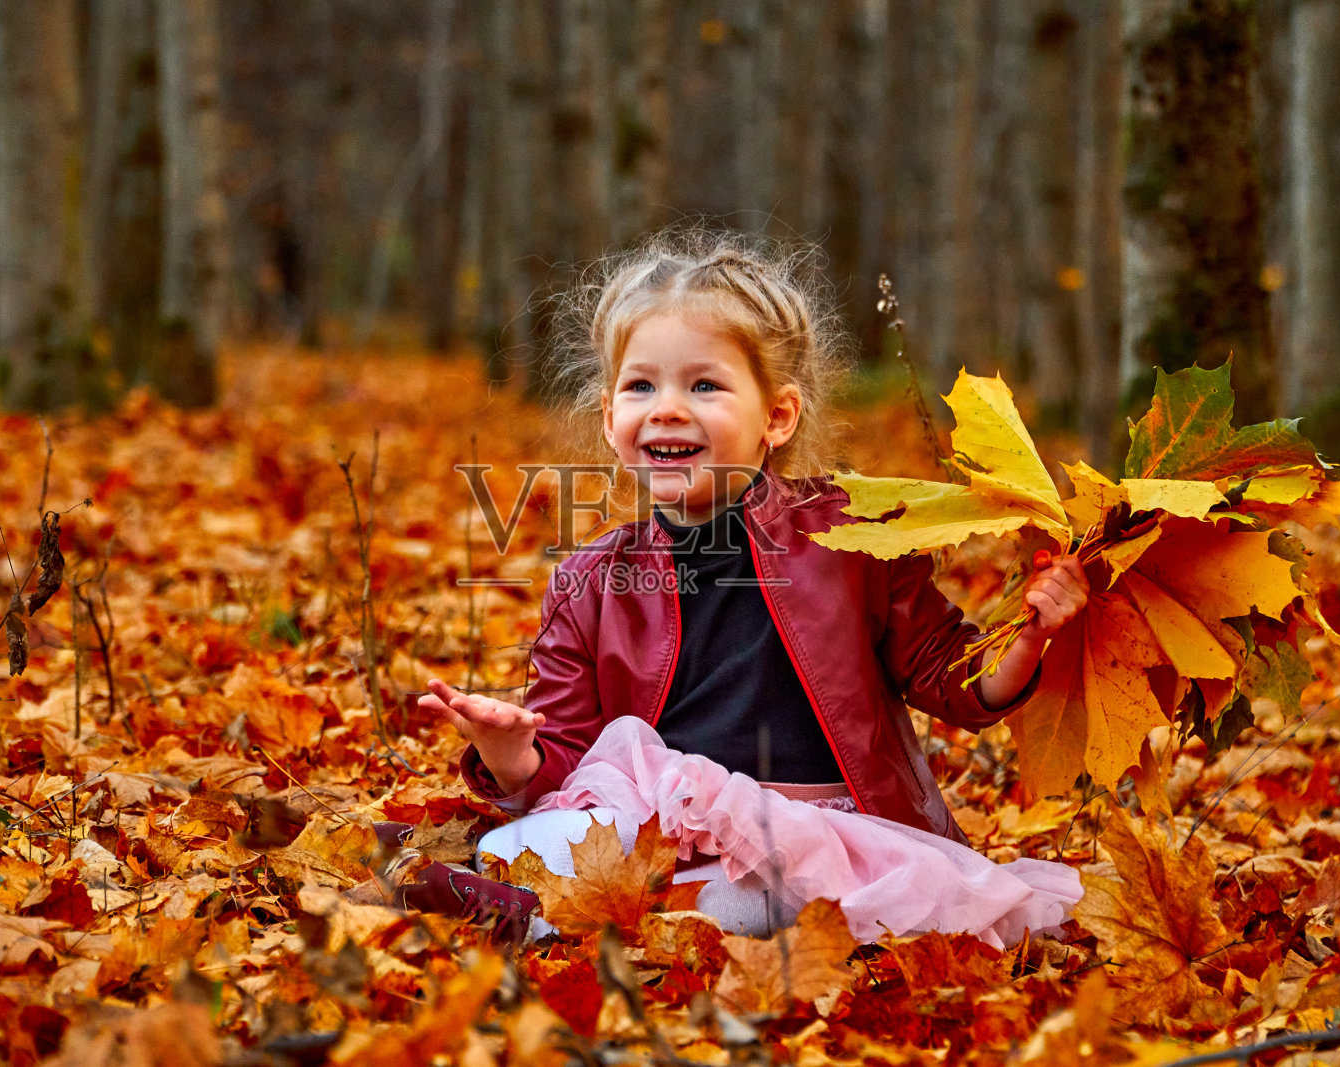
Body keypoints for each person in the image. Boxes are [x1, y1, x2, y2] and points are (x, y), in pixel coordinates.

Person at [420, 232, 1089, 947]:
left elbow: (954, 680)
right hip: (660, 818)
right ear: (611, 422)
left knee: (760, 895)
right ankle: (543, 897)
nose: (668, 407)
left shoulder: (852, 536)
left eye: (703, 385)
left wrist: (1029, 636)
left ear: (777, 416)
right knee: (530, 843)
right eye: (640, 385)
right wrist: (507, 750)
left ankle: (566, 914)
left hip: (824, 833)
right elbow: (564, 762)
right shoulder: (589, 583)